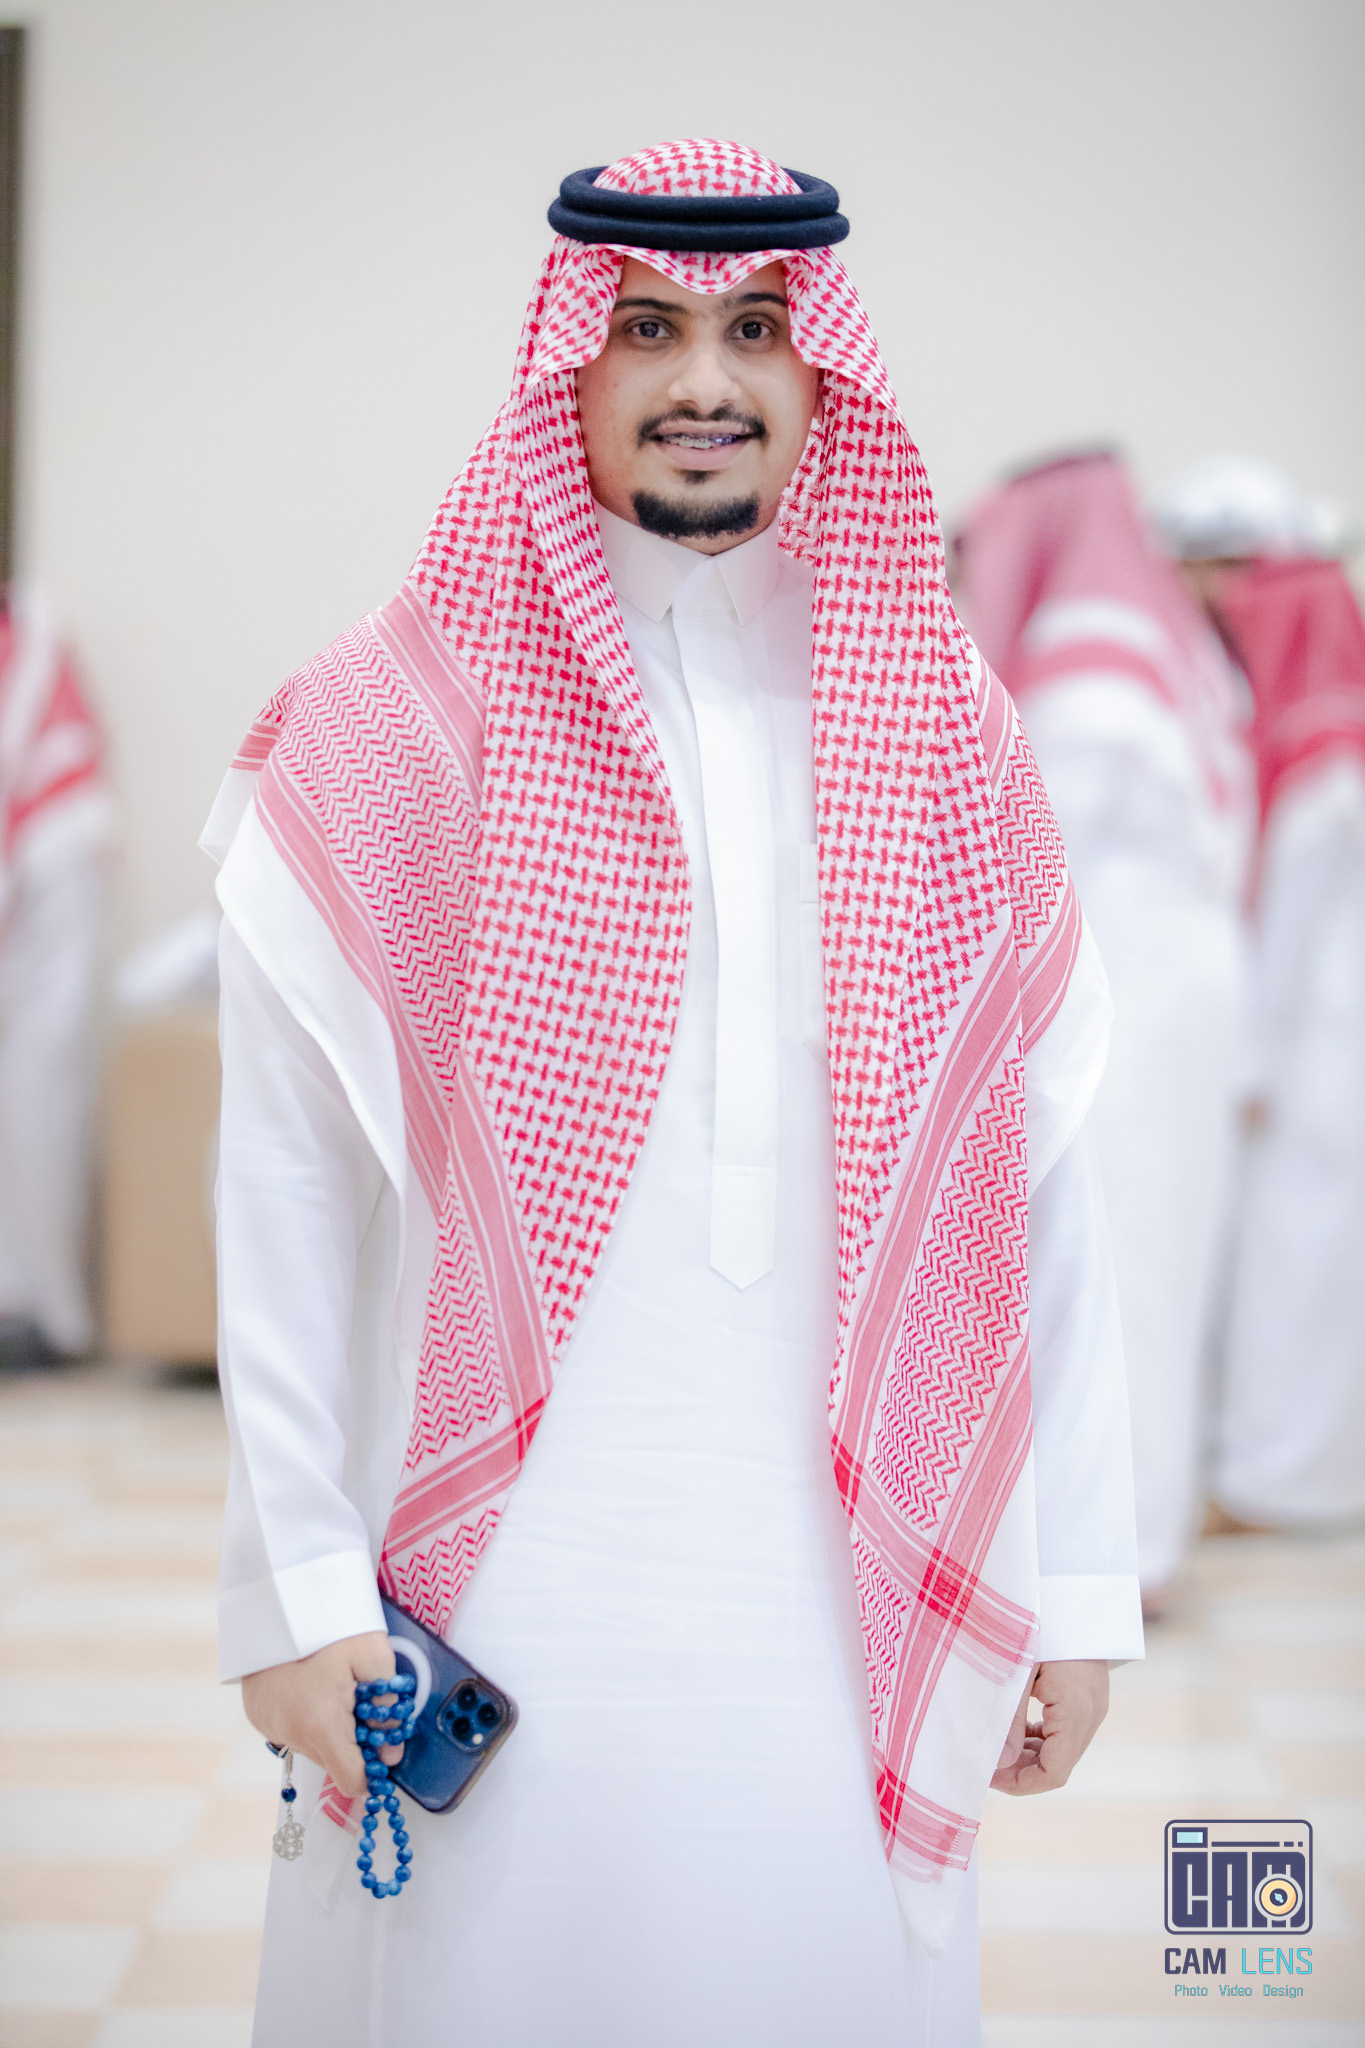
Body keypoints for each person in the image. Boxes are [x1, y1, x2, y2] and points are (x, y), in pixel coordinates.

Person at [207, 142, 1142, 2048]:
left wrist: (1083, 1577)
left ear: (821, 370)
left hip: (838, 1592)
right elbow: (285, 1181)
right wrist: (296, 1580)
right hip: (500, 1584)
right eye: (646, 326)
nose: (704, 377)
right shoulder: (399, 716)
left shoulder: (944, 725)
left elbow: (1037, 1177)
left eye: (754, 329)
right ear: (569, 357)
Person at [953, 453, 1254, 1612]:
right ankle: (1143, 1543)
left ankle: (1121, 1558)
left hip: (1130, 996)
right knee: (1157, 1266)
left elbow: (1027, 857)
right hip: (1174, 995)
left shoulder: (1087, 667)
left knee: (1117, 1269)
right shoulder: (1160, 650)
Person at [1203, 557, 1365, 1528]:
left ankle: (1273, 1483)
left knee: (1291, 1265)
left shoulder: (1323, 763)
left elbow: (1293, 935)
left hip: (1316, 1056)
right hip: (1327, 1046)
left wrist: (1253, 1064)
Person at [0, 588, 112, 1368]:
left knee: (40, 1097)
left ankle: (52, 1317)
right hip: (31, 882)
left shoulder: (32, 634)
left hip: (55, 876)